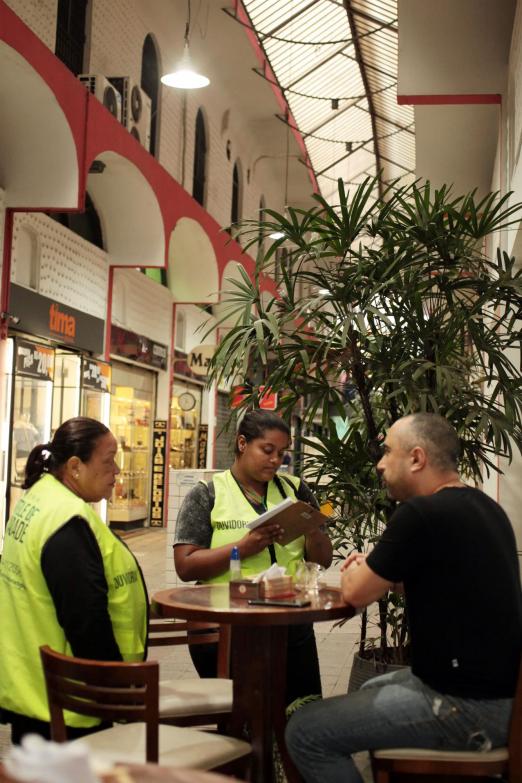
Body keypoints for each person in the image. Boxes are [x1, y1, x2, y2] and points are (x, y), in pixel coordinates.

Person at [286, 412, 522, 783]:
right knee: (371, 687)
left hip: (464, 707)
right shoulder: (485, 508)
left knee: (304, 731)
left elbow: (356, 593)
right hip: (498, 698)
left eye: (386, 453)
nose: (379, 464)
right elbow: (446, 579)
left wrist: (355, 572)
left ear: (416, 458)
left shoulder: (420, 514)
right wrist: (384, 572)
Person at [0, 417, 148, 744]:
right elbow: (85, 620)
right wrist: (115, 690)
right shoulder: (66, 523)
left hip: (34, 688)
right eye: (108, 461)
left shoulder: (39, 500)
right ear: (75, 466)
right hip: (71, 703)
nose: (117, 471)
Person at [174, 409, 333, 707]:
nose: (275, 460)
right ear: (243, 443)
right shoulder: (207, 494)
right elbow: (185, 565)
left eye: (282, 453)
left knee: (301, 712)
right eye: (268, 450)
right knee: (242, 719)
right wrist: (243, 548)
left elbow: (323, 560)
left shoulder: (296, 489)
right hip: (228, 628)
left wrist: (312, 529)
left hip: (291, 624)